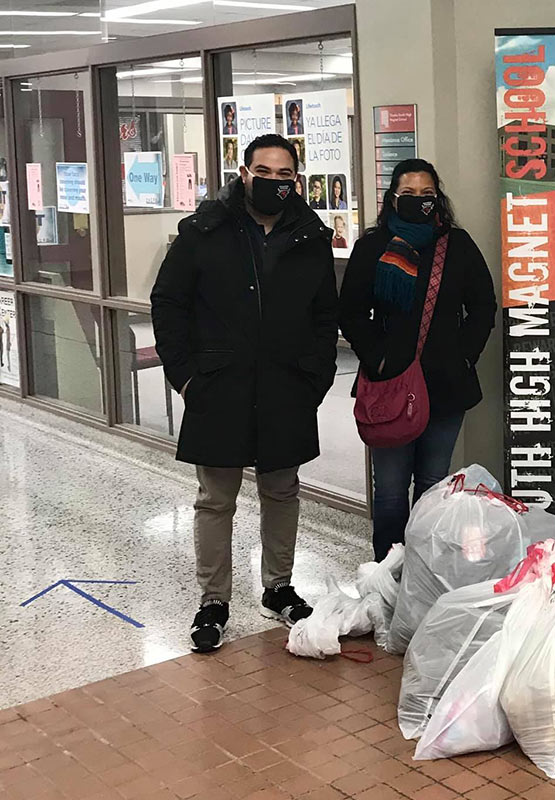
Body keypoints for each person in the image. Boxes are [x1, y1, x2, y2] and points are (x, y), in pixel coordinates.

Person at [150, 133, 338, 654]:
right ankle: (214, 601)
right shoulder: (204, 232)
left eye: (285, 176)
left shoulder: (310, 236)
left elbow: (326, 316)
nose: (274, 182)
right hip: (218, 387)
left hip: (286, 388)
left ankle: (278, 589)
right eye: (264, 172)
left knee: (282, 492)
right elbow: (167, 303)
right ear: (243, 174)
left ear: (295, 180)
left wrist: (315, 378)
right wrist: (186, 377)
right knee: (215, 500)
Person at [339, 158, 497, 562]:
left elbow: (482, 305)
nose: (417, 201)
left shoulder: (456, 246)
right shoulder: (372, 247)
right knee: (390, 492)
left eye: (426, 195)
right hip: (388, 387)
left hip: (444, 387)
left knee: (432, 486)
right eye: (407, 194)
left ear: (438, 199)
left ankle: (424, 576)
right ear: (392, 198)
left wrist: (464, 356)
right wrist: (379, 359)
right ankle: (388, 576)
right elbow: (351, 312)